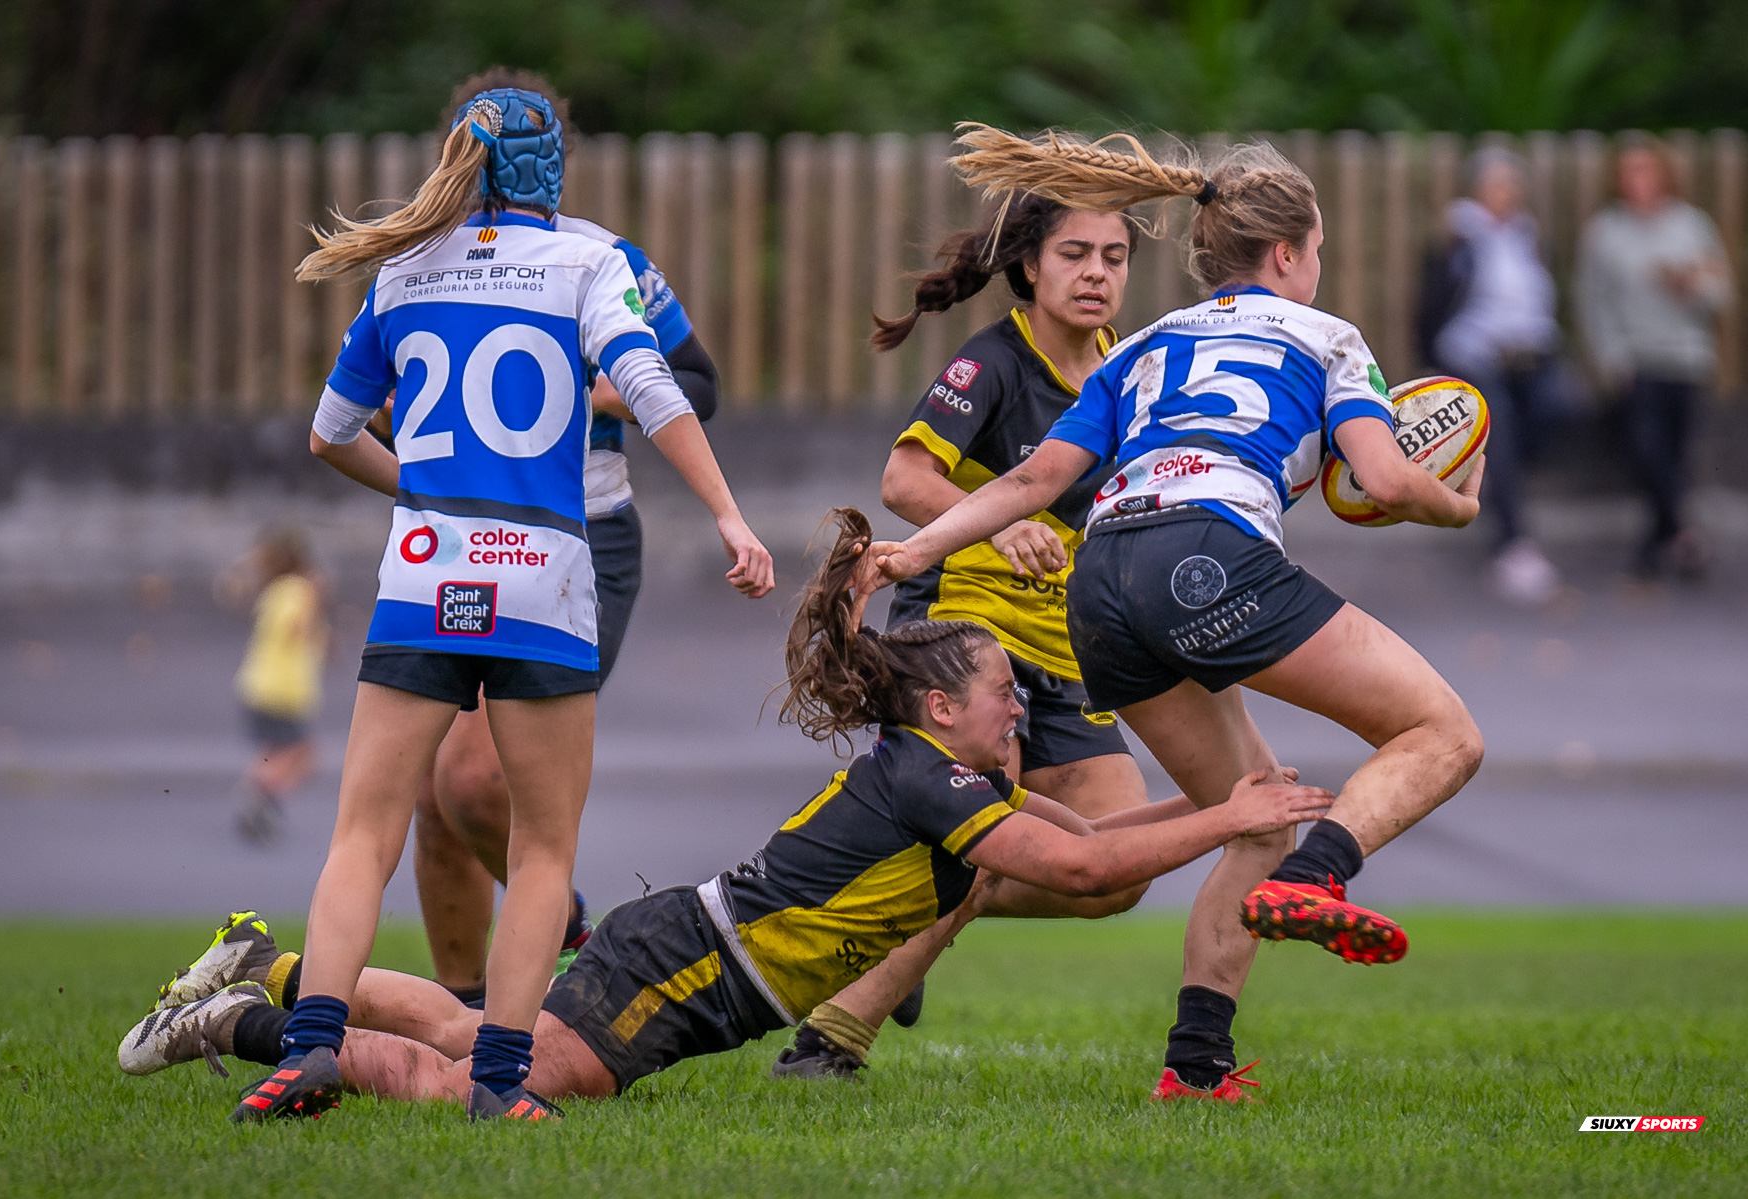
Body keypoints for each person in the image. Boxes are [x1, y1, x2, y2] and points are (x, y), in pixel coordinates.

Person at [118, 510, 1335, 1114]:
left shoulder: (961, 778)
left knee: (465, 1020)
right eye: (1006, 692)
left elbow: (1094, 845)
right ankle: (236, 1025)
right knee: (495, 1089)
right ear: (947, 706)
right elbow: (1073, 877)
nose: (1023, 710)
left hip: (689, 957)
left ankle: (267, 968)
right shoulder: (930, 778)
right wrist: (1233, 818)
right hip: (692, 970)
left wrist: (1226, 804)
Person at [850, 126, 1486, 1100]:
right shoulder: (1328, 337)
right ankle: (1318, 874)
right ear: (1287, 252)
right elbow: (1390, 478)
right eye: (1318, 249)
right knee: (1442, 732)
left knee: (1251, 808)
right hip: (1209, 551)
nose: (1320, 266)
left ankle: (1196, 1067)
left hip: (1100, 579)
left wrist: (915, 547)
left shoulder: (1145, 345)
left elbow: (1035, 478)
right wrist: (1462, 500)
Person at [242, 81, 774, 1124]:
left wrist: (426, 491)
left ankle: (308, 1050)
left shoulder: (402, 272)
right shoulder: (588, 261)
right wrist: (730, 516)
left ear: (457, 158)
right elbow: (663, 387)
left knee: (365, 832)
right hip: (544, 578)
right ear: (556, 168)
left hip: (425, 570)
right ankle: (498, 1081)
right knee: (541, 847)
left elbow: (327, 433)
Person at [768, 192, 1164, 1077]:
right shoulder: (992, 362)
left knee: (1119, 863)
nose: (1097, 273)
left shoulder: (1126, 370)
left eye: (1114, 255)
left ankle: (916, 905)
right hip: (966, 635)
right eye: (1075, 254)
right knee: (990, 837)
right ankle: (830, 1039)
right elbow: (904, 479)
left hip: (1068, 654)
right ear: (1029, 267)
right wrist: (994, 523)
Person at [403, 69, 727, 1008]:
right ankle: (457, 1015)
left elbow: (697, 382)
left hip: (579, 539)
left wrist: (598, 389)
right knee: (433, 794)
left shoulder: (599, 259)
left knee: (470, 778)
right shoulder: (425, 264)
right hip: (459, 540)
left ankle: (579, 924)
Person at [1577, 133, 1733, 580]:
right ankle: (1681, 534)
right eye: (1628, 172)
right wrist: (1610, 357)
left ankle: (1656, 542)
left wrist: (1691, 286)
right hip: (1636, 359)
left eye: (1645, 170)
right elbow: (1594, 302)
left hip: (1685, 357)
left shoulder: (1690, 225)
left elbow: (1720, 293)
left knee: (1675, 454)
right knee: (1647, 450)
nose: (1637, 180)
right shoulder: (1606, 230)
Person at [1418, 146, 1563, 605]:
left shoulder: (1527, 236)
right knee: (1494, 426)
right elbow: (1428, 307)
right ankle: (1513, 544)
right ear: (1478, 191)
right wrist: (1428, 358)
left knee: (1565, 406)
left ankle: (1507, 483)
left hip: (1529, 354)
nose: (1507, 193)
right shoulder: (1457, 238)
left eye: (1512, 185)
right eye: (1497, 185)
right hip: (1471, 354)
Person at [223, 527, 330, 842]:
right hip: (282, 689)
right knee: (303, 755)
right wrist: (317, 599)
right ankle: (258, 794)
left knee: (273, 751)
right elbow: (295, 629)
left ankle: (260, 798)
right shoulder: (299, 590)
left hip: (259, 684)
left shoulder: (274, 590)